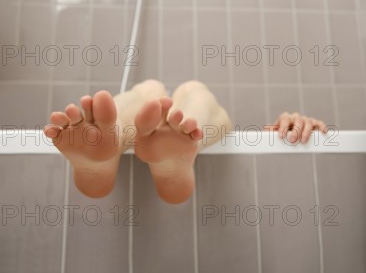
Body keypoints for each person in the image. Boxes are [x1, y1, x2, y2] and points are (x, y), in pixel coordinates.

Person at [43, 79, 328, 204]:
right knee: (196, 92)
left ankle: (112, 138)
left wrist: (299, 123)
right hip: (196, 131)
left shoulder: (282, 129)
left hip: (133, 129)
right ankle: (186, 135)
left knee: (146, 91)